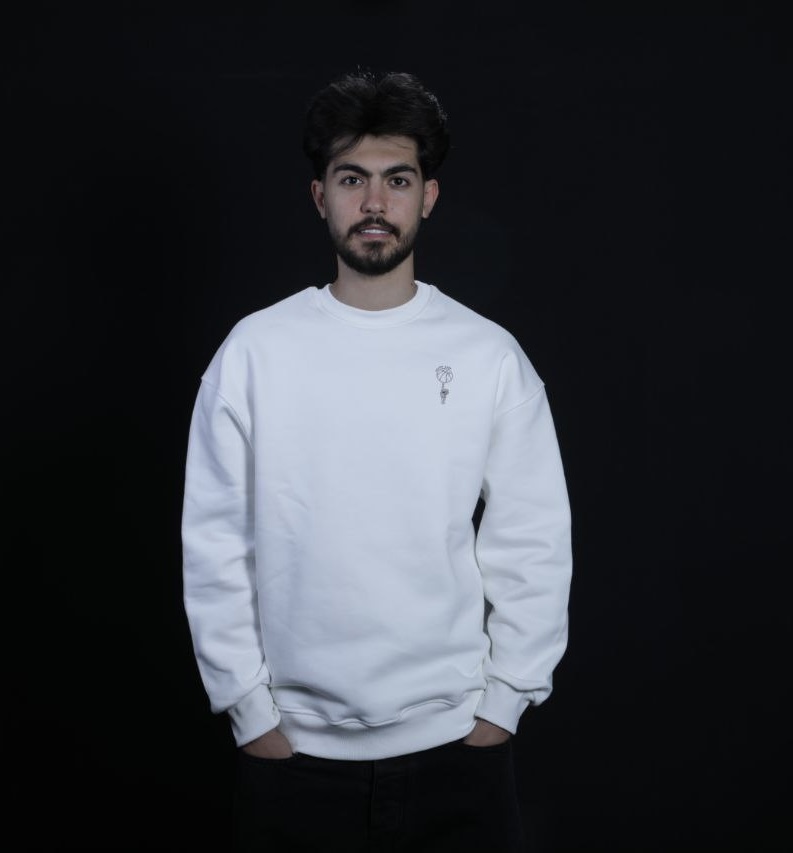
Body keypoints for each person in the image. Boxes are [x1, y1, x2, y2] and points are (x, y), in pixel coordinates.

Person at [181, 68, 573, 852]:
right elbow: (214, 543)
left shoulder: (487, 355)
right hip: (293, 758)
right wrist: (250, 714)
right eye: (350, 178)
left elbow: (532, 538)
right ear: (318, 195)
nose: (373, 202)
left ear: (427, 196)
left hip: (456, 752)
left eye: (397, 179)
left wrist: (503, 704)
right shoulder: (254, 352)